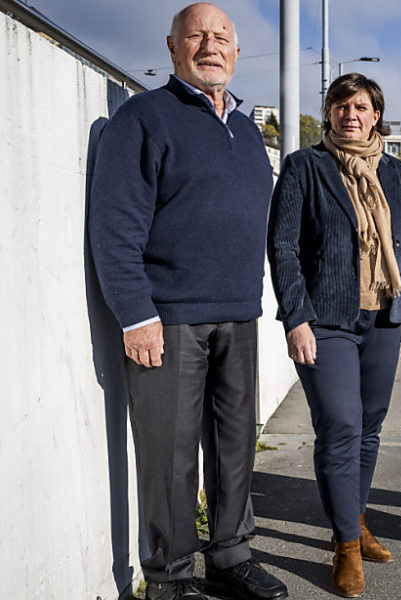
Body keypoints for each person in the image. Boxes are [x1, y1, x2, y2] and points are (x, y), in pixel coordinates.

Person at [88, 4, 287, 600]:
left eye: (221, 36)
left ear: (237, 52)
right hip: (169, 319)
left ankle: (230, 557)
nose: (210, 45)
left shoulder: (248, 131)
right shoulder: (142, 118)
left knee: (234, 446)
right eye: (195, 35)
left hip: (238, 314)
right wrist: (136, 314)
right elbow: (114, 226)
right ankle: (170, 580)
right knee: (170, 456)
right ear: (172, 47)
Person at [267, 72, 401, 598]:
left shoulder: (397, 173)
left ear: (376, 114)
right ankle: (345, 546)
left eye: (360, 107)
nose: (350, 114)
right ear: (329, 113)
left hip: (384, 315)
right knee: (340, 424)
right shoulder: (305, 167)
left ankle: (355, 521)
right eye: (340, 105)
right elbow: (284, 247)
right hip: (327, 318)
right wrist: (296, 317)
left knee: (369, 428)